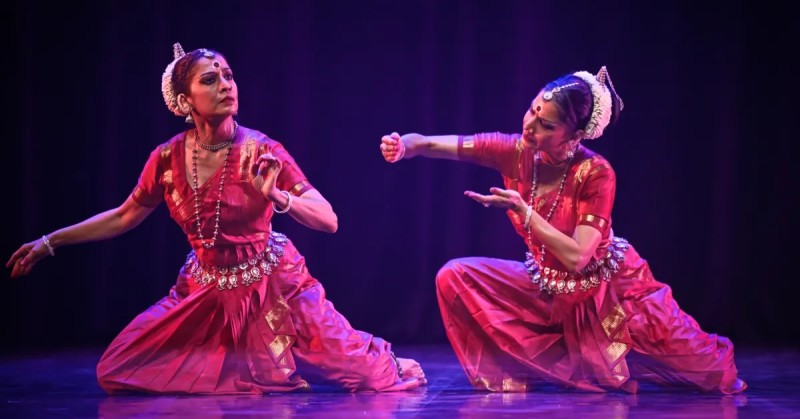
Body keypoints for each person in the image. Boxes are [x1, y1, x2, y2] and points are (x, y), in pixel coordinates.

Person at [6, 43, 425, 395]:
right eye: (210, 79)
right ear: (184, 101)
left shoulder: (263, 150)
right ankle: (247, 366)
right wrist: (51, 241)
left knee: (370, 375)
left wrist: (276, 196)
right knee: (117, 367)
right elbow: (124, 215)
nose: (225, 85)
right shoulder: (167, 158)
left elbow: (328, 219)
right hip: (203, 293)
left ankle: (307, 358)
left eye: (228, 75)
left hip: (273, 287)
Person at [379, 66, 746, 394]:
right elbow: (430, 143)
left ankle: (603, 356)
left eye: (547, 125)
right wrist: (405, 146)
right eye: (533, 110)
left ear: (576, 135)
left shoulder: (596, 173)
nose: (530, 126)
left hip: (610, 292)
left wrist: (525, 213)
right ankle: (528, 372)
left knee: (712, 370)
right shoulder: (515, 151)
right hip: (550, 289)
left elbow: (578, 256)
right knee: (454, 276)